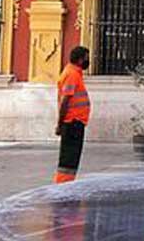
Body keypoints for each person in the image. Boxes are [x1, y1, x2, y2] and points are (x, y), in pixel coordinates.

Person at [55, 46, 91, 184]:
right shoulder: (72, 74)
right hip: (72, 122)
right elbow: (65, 100)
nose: (88, 61)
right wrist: (60, 124)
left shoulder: (75, 73)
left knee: (72, 157)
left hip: (75, 122)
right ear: (80, 59)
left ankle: (66, 182)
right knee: (69, 157)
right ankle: (63, 184)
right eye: (86, 58)